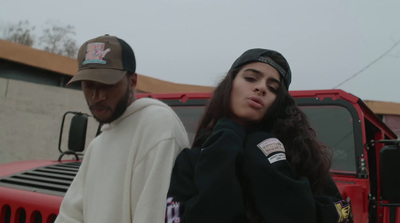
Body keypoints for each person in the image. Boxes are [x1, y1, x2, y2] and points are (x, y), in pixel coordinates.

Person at [165, 48, 351, 223]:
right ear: (229, 84)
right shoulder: (191, 160)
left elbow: (339, 214)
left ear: (278, 102)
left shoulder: (300, 155)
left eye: (273, 88)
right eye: (251, 78)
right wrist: (226, 138)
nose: (261, 88)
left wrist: (268, 159)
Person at [55, 34, 190, 223]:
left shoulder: (157, 126)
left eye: (107, 84)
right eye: (89, 85)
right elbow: (70, 215)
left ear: (133, 81)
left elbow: (152, 216)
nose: (97, 96)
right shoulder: (99, 143)